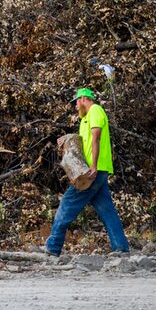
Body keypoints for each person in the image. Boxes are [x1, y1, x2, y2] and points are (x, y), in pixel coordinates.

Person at [45, 87, 129, 256]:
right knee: (107, 210)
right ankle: (121, 248)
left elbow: (96, 138)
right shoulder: (84, 120)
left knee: (66, 205)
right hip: (97, 171)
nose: (75, 106)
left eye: (76, 101)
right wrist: (67, 137)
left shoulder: (95, 110)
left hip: (92, 172)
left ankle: (53, 248)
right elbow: (84, 143)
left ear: (84, 99)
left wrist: (94, 166)